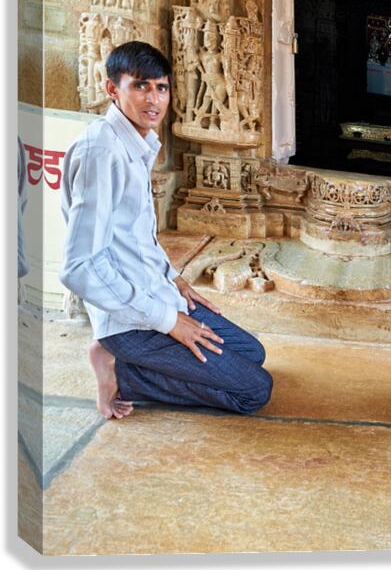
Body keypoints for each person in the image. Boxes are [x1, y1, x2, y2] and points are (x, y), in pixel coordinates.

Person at [60, 41, 273, 420]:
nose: (153, 98)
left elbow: (135, 237)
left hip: (155, 293)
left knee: (253, 354)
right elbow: (81, 267)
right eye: (140, 86)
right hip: (129, 319)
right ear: (112, 89)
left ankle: (128, 354)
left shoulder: (137, 142)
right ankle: (122, 372)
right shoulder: (101, 151)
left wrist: (173, 278)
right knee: (254, 391)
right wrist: (169, 321)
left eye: (161, 87)